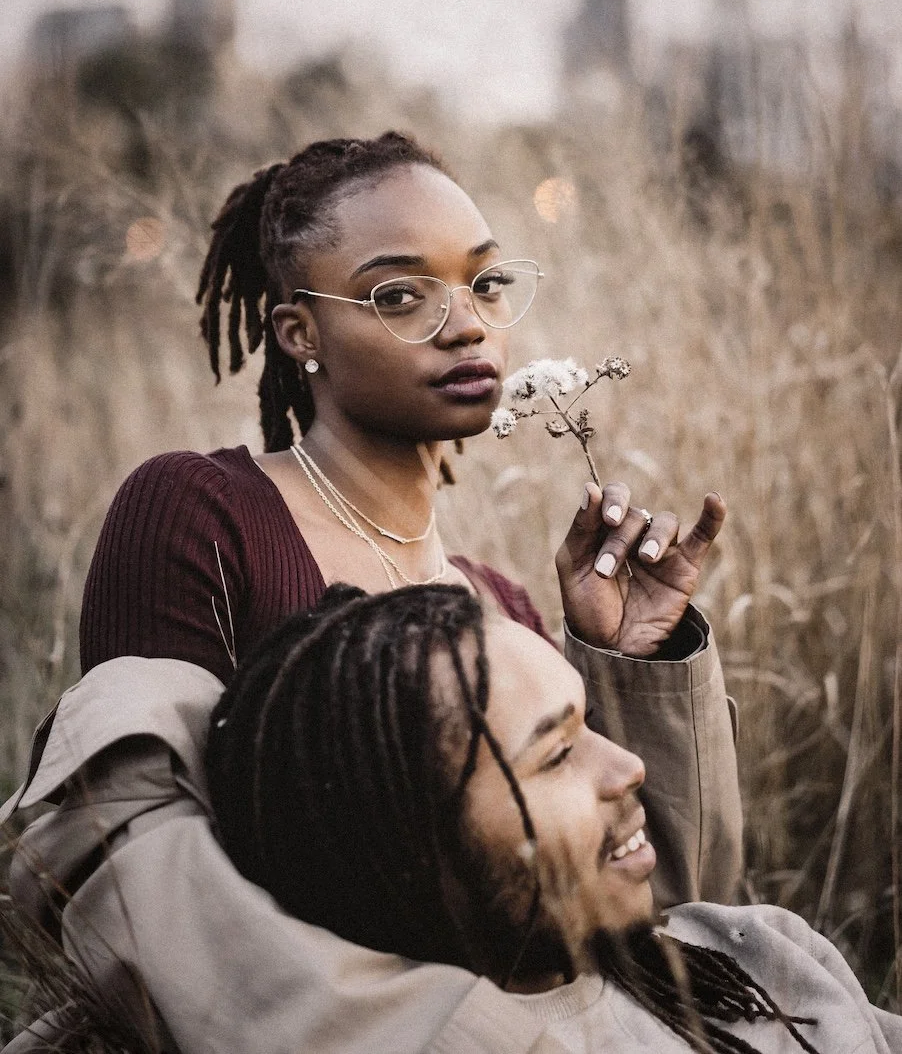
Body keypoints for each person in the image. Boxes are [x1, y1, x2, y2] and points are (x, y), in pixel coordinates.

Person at [1, 133, 739, 1051]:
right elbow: (142, 870)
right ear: (299, 333)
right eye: (399, 296)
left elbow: (643, 926)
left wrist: (625, 661)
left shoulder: (499, 604)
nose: (466, 323)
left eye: (485, 284)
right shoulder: (203, 514)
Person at [201, 583, 901, 1054]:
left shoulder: (749, 949)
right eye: (558, 751)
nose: (629, 765)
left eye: (590, 719)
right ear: (415, 847)